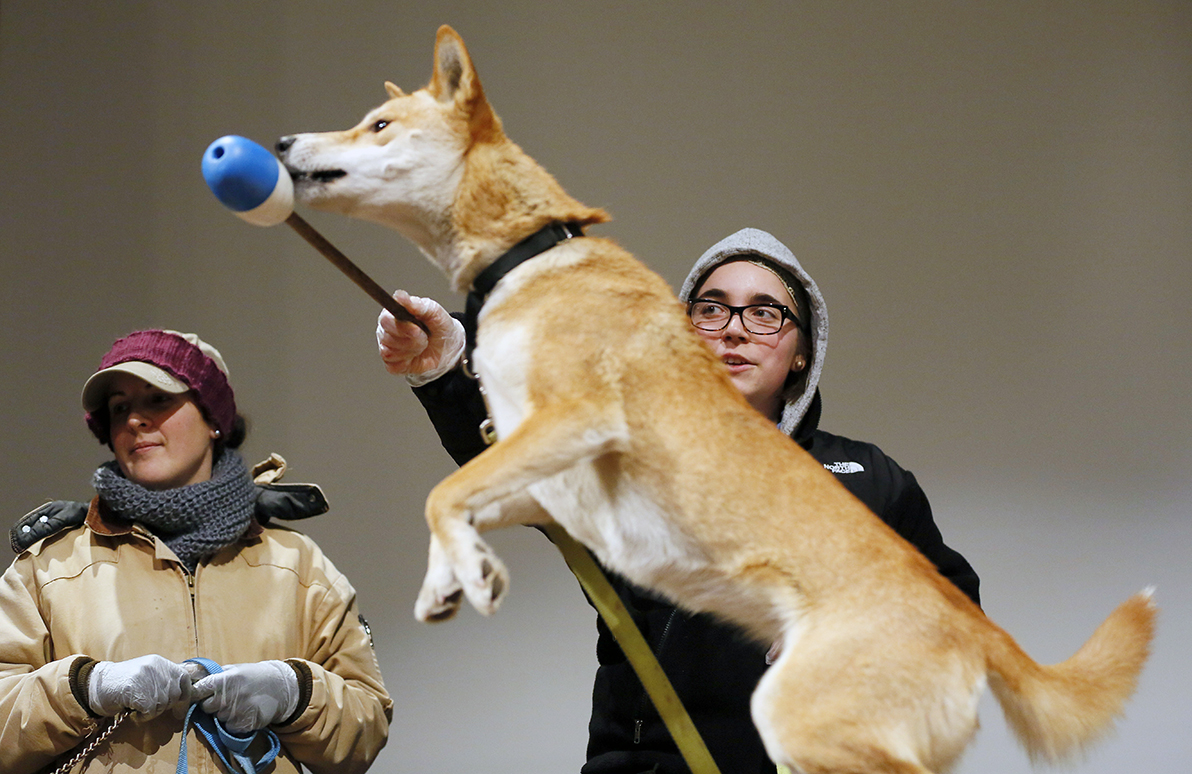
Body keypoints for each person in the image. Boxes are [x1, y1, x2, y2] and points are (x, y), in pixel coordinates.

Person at [376, 227, 980, 774]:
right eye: (711, 311)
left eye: (766, 313)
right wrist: (448, 368)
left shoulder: (869, 480)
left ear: (803, 351)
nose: (735, 328)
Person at [0, 329, 392, 774]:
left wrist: (293, 694)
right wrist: (87, 689)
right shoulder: (50, 565)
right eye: (119, 408)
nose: (135, 421)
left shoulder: (296, 564)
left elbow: (366, 730)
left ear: (213, 418)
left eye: (158, 400)